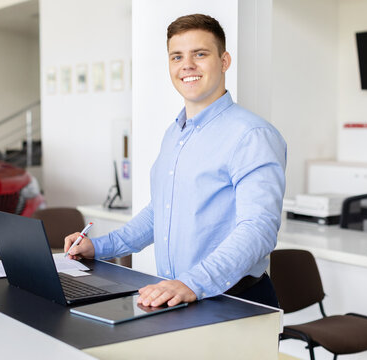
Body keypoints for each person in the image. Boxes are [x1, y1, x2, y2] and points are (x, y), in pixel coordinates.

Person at [64, 14, 286, 308]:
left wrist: (192, 283)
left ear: (224, 61)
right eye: (177, 56)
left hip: (234, 300)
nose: (187, 65)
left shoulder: (251, 135)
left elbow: (258, 228)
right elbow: (160, 212)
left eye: (200, 54)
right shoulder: (175, 133)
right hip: (178, 295)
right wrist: (99, 247)